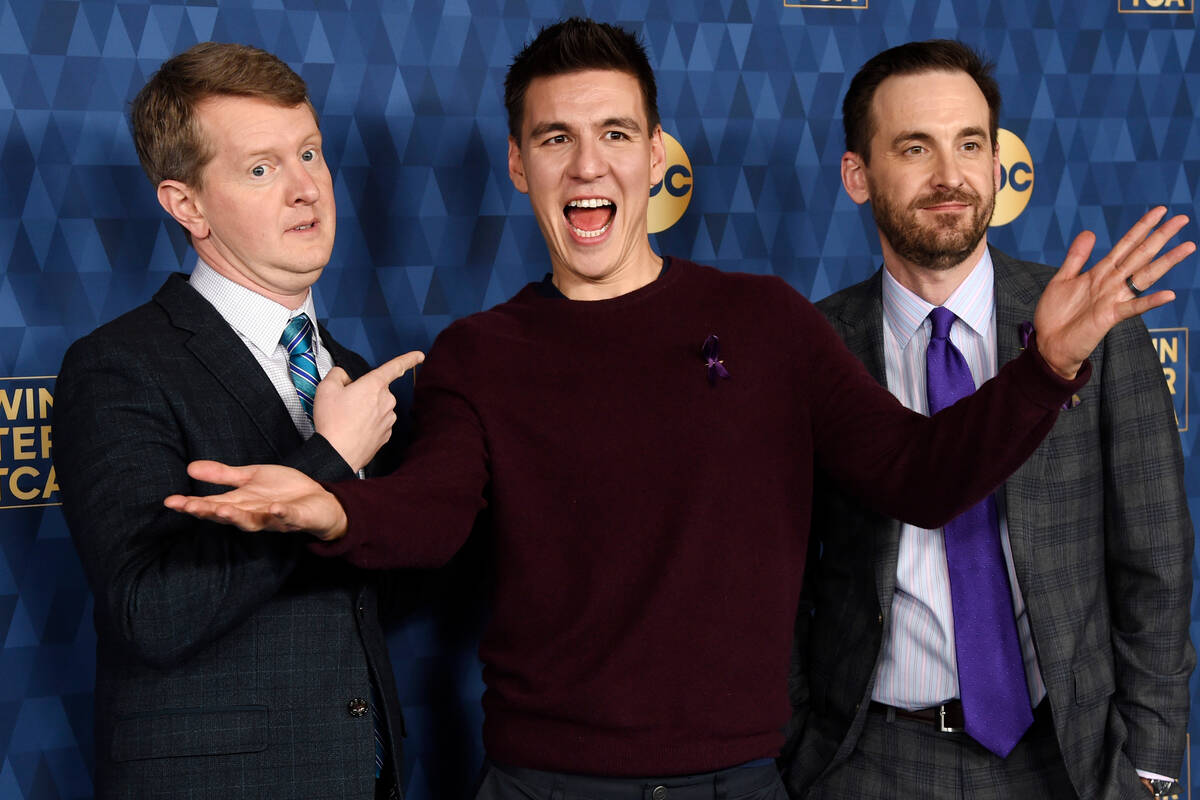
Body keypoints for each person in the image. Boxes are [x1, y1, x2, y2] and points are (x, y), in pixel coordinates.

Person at [163, 20, 1193, 800]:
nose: (587, 162)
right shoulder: (482, 352)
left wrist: (1047, 365)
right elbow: (433, 510)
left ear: (655, 154)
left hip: (740, 780)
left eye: (615, 132)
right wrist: (336, 505)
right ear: (521, 165)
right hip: (545, 781)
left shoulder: (769, 324)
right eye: (555, 138)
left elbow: (917, 473)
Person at [779, 40, 1193, 800]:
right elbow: (776, 580)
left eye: (971, 144)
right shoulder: (813, 349)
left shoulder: (1097, 324)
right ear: (857, 176)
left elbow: (1155, 563)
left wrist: (1153, 766)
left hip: (1068, 761)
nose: (950, 177)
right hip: (871, 759)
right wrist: (800, 753)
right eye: (915, 147)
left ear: (998, 166)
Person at [53, 42, 422, 800]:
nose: (306, 190)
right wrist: (327, 457)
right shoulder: (119, 365)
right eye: (262, 169)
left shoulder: (350, 368)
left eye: (310, 154)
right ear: (185, 204)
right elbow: (147, 610)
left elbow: (383, 597)